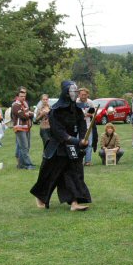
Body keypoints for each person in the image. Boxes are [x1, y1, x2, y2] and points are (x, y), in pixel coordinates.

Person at [30, 81, 91, 211]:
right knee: (50, 175)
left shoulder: (77, 109)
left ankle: (74, 203)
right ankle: (41, 197)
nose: (75, 94)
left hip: (71, 147)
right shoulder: (56, 111)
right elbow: (59, 133)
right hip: (57, 148)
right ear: (66, 92)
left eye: (76, 91)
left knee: (73, 173)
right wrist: (77, 141)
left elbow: (81, 125)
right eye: (72, 91)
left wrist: (83, 139)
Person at [11, 88, 35, 169]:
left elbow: (31, 114)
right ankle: (28, 164)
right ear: (17, 97)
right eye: (21, 96)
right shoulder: (15, 105)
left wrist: (28, 114)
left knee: (26, 147)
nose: (23, 98)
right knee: (24, 147)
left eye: (24, 96)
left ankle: (21, 165)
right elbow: (23, 116)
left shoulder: (25, 104)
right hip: (19, 128)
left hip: (27, 127)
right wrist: (28, 114)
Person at [77, 88, 97, 166]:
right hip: (79, 127)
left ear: (87, 95)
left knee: (89, 143)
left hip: (89, 126)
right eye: (82, 94)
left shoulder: (90, 103)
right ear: (79, 95)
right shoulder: (76, 102)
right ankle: (79, 160)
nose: (83, 96)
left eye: (85, 95)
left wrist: (90, 114)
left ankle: (88, 161)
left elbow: (94, 114)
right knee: (79, 143)